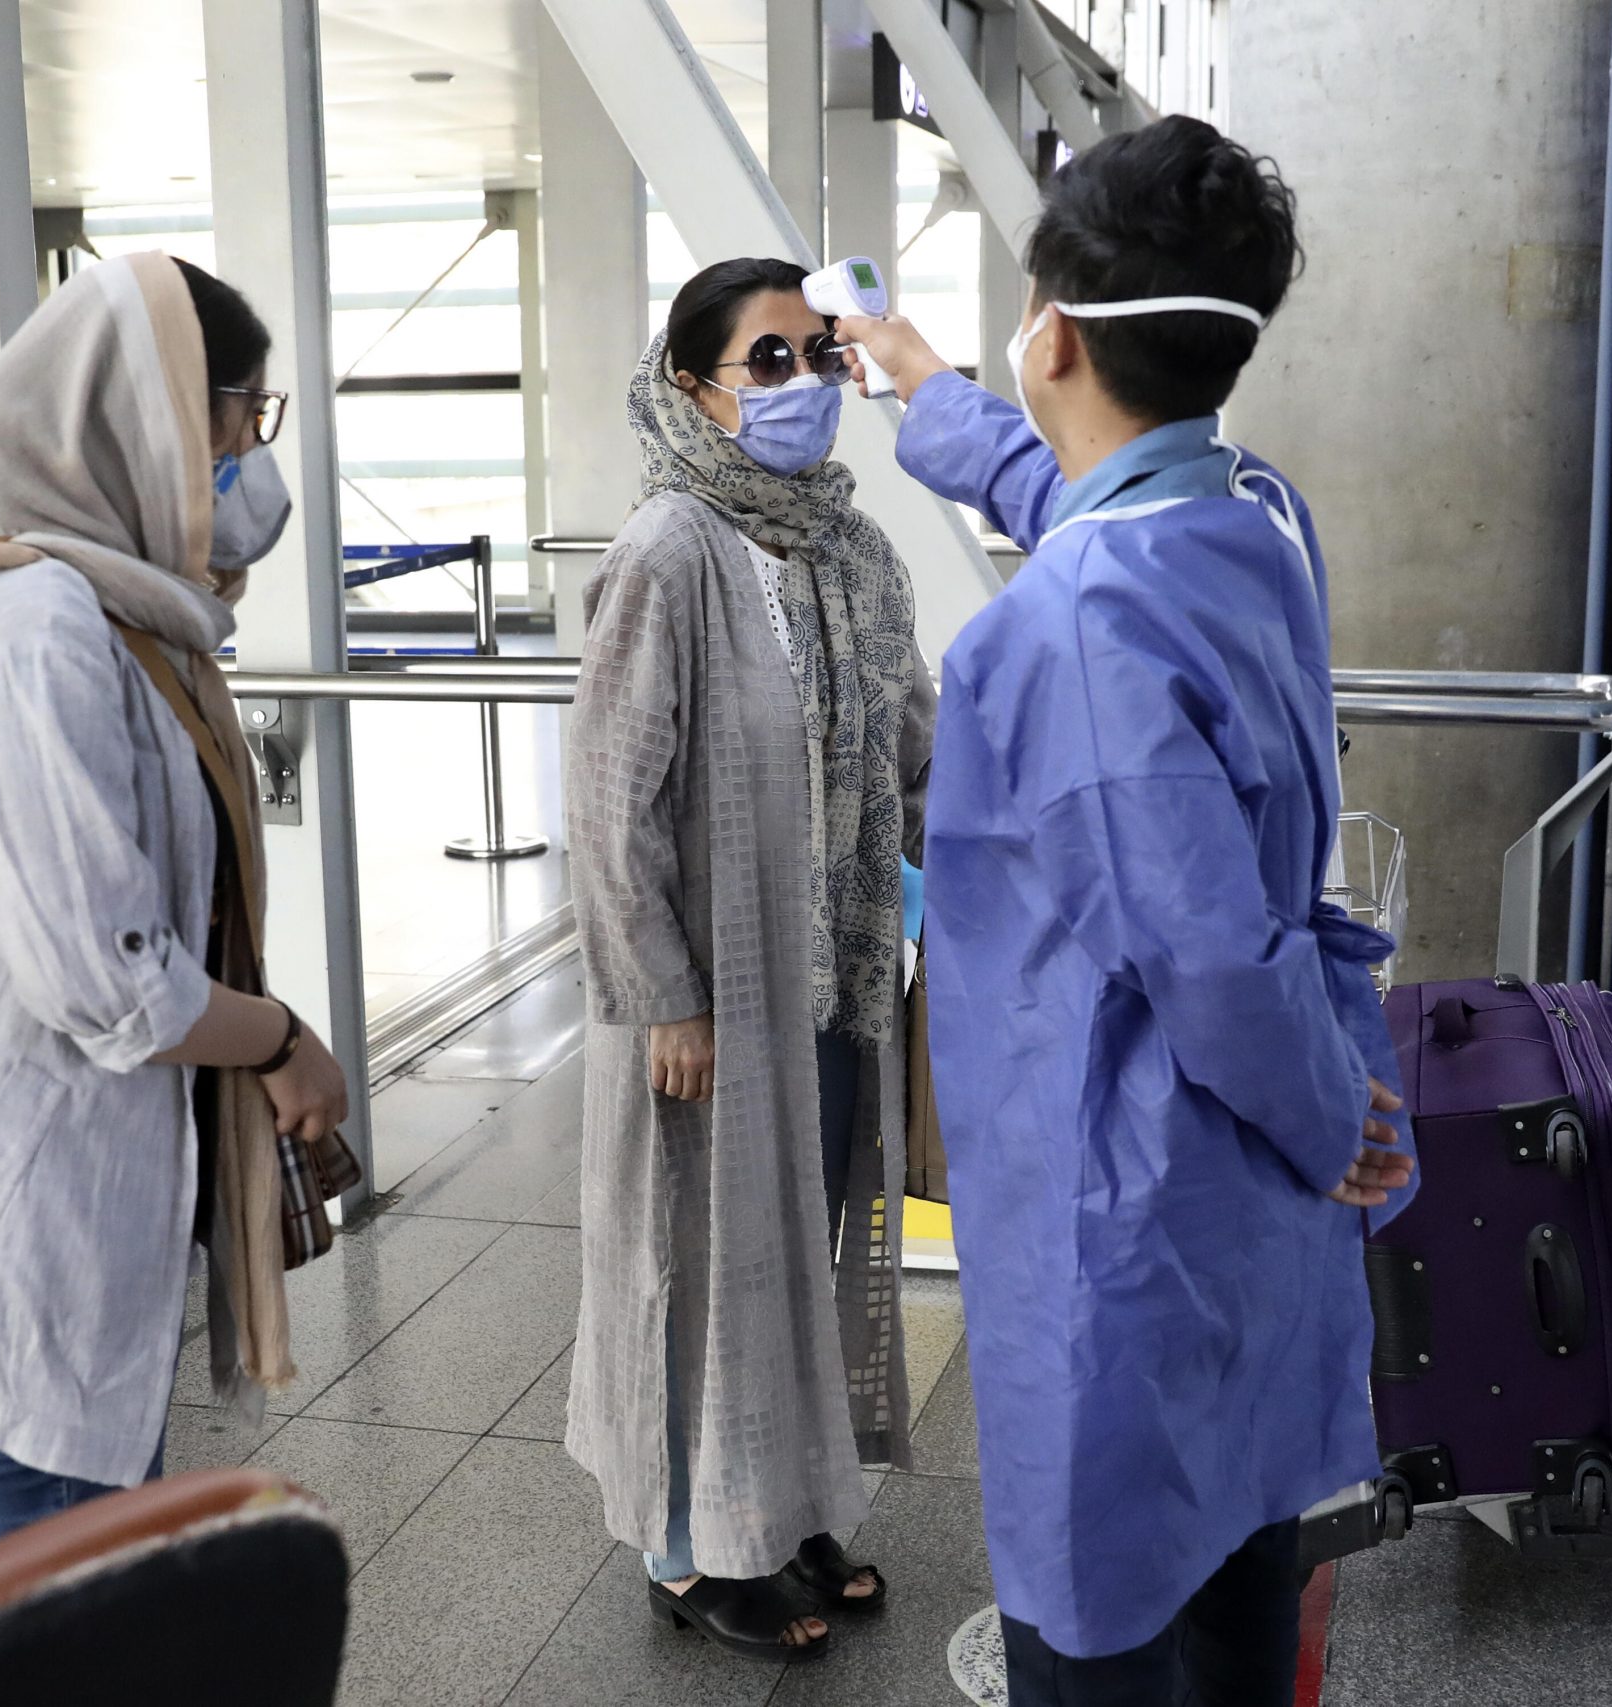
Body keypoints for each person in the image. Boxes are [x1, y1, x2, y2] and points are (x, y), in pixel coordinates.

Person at [840, 117, 1415, 1706]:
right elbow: (1078, 483)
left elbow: (1209, 961)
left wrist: (1339, 1122)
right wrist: (921, 387)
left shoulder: (1070, 623)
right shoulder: (1249, 512)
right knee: (1244, 1530)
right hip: (1244, 1188)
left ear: (1059, 332)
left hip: (1128, 1176)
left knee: (1114, 1591)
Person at [0, 252, 350, 1543]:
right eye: (243, 417)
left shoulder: (122, 613)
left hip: (80, 1181)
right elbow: (106, 976)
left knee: (88, 1571)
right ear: (154, 414)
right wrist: (278, 1037)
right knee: (66, 1586)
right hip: (17, 1192)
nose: (248, 460)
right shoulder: (31, 626)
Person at [564, 257, 934, 1663]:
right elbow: (610, 795)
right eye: (764, 361)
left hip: (830, 983)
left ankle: (778, 1504)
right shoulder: (669, 549)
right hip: (707, 994)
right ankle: (683, 1541)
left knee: (797, 1252)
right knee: (692, 1267)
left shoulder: (854, 553)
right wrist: (662, 988)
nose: (798, 389)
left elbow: (917, 742)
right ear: (692, 387)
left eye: (816, 359)